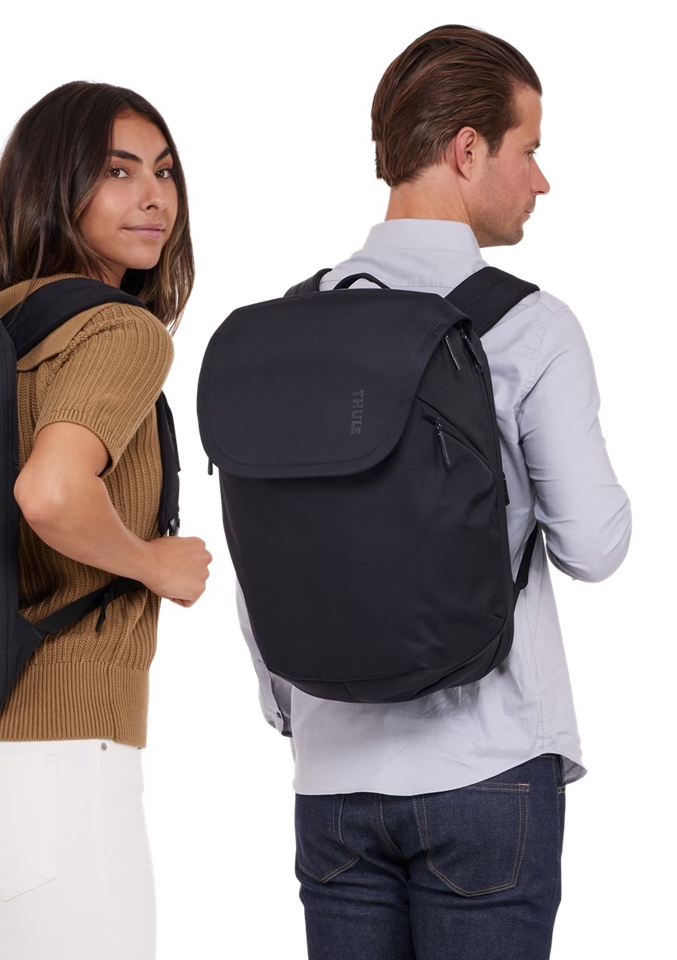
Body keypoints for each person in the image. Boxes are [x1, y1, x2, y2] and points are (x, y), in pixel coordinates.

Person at [238, 25, 631, 960]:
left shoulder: (288, 328)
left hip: (332, 779)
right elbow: (594, 546)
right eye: (528, 149)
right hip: (486, 765)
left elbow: (268, 546)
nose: (541, 180)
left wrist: (299, 706)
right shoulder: (529, 325)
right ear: (466, 150)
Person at [0, 81, 212, 960]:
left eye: (164, 171)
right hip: (56, 766)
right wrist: (154, 563)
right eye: (117, 172)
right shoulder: (118, 330)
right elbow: (50, 493)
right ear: (53, 184)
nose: (153, 197)